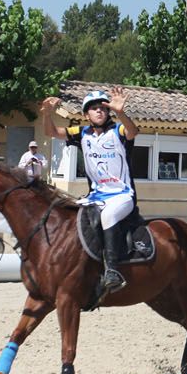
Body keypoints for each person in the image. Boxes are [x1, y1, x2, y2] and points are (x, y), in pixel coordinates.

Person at [41, 88, 139, 296]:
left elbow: (133, 132)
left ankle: (112, 272)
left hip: (121, 195)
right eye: (94, 108)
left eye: (103, 108)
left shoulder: (118, 131)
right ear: (87, 114)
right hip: (95, 196)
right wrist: (47, 114)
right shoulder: (82, 132)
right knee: (68, 215)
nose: (99, 111)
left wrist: (121, 112)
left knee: (109, 215)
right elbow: (51, 133)